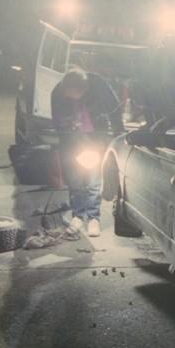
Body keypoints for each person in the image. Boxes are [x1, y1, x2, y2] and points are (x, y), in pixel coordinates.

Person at [51, 68, 117, 237]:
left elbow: (115, 110)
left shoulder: (98, 89)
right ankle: (78, 215)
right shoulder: (58, 94)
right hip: (72, 142)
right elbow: (58, 124)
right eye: (67, 92)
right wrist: (69, 133)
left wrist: (115, 137)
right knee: (75, 180)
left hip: (95, 139)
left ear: (83, 90)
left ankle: (94, 218)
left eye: (73, 93)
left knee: (93, 180)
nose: (68, 96)